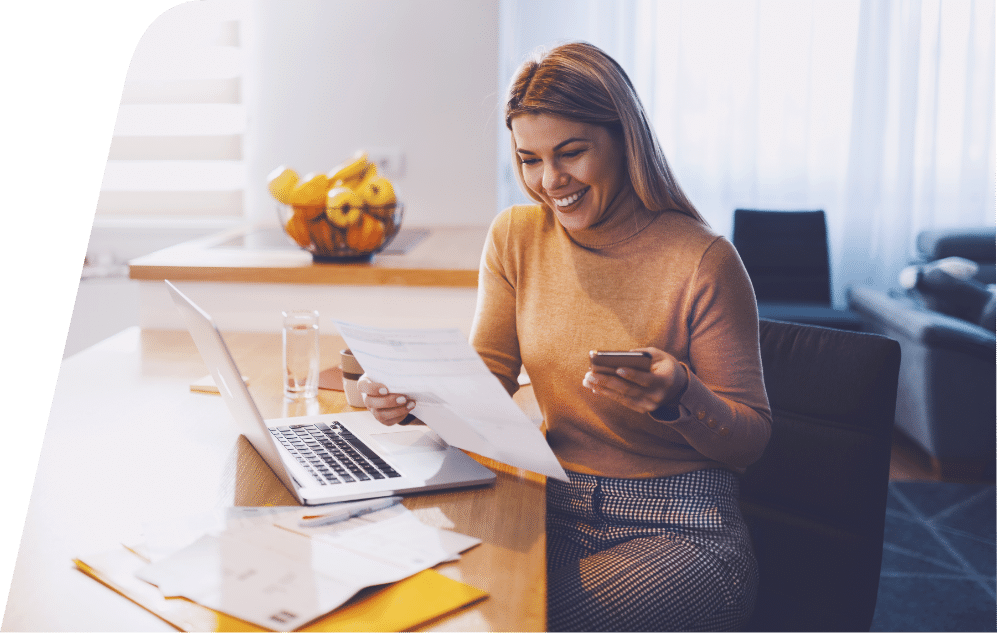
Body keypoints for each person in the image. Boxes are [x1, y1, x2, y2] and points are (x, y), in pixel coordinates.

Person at [358, 41, 772, 632]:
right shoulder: (517, 237)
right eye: (529, 159)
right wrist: (411, 400)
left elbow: (752, 441)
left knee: (503, 620)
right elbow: (485, 382)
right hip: (550, 501)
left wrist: (681, 397)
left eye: (571, 153)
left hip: (683, 529)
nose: (551, 181)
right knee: (411, 595)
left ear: (624, 138)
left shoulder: (703, 260)